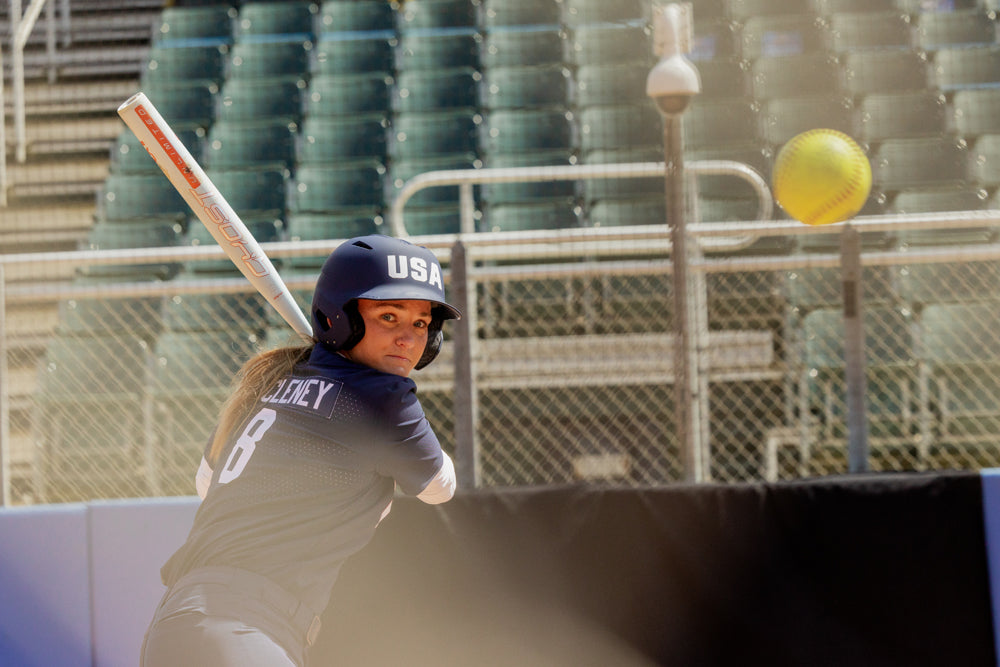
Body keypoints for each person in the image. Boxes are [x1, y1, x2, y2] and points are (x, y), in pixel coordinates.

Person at [140, 234, 461, 666]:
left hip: (178, 622)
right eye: (389, 316)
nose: (408, 338)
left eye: (421, 324)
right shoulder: (383, 395)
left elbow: (206, 485)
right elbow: (439, 487)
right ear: (340, 319)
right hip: (244, 628)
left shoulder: (273, 378)